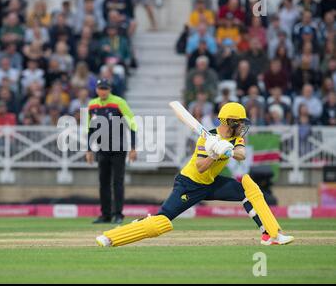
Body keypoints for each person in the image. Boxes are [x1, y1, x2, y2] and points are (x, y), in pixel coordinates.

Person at [96, 102, 294, 247]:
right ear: (229, 121)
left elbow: (241, 155)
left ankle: (269, 234)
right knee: (162, 221)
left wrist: (230, 151)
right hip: (189, 184)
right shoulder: (205, 138)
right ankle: (113, 236)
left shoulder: (234, 139)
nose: (242, 126)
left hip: (211, 183)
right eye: (239, 122)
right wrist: (214, 154)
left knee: (247, 190)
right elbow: (200, 167)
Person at [86, 79, 137, 224]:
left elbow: (132, 123)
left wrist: (133, 147)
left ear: (110, 89)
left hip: (118, 148)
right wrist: (89, 150)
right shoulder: (92, 104)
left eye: (105, 88)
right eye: (100, 88)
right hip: (102, 148)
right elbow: (89, 129)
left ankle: (118, 214)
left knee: (117, 182)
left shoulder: (118, 102)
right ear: (96, 90)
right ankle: (105, 215)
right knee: (103, 182)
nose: (103, 91)